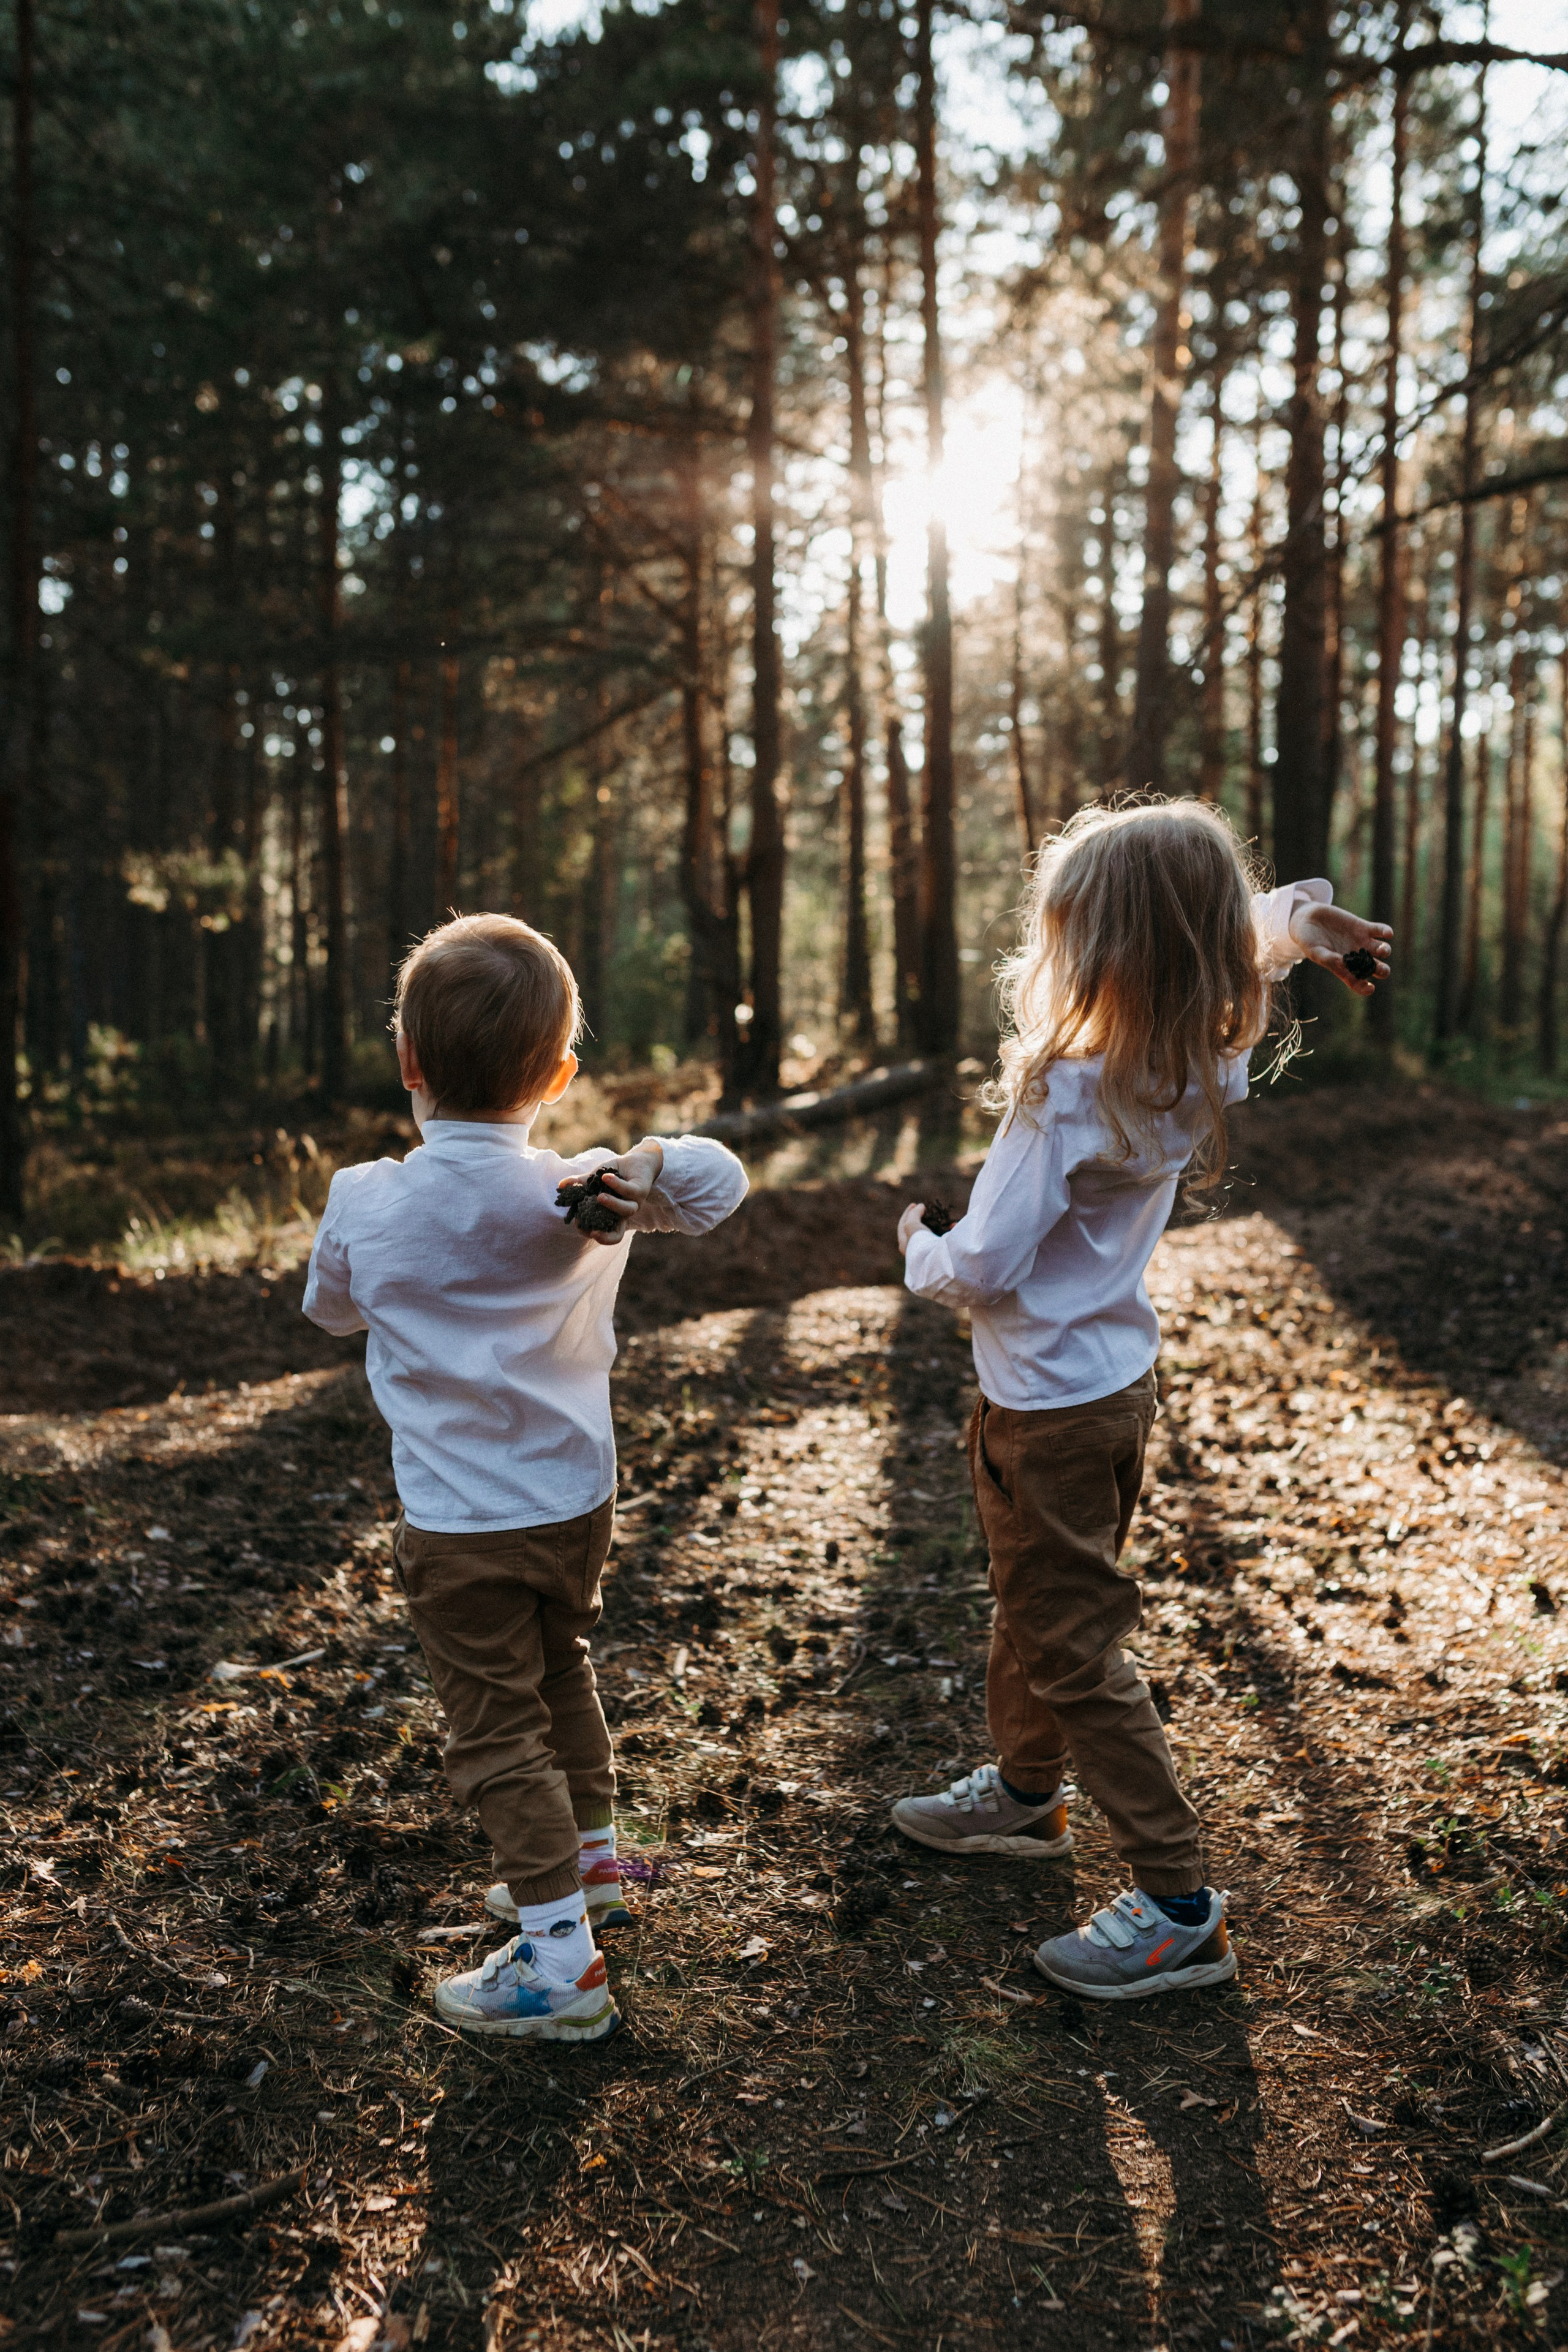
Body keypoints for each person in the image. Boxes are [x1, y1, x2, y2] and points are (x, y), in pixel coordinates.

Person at [890, 801, 1390, 2001]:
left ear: (1095, 953)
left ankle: (1175, 1902)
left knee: (1068, 1637)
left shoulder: (1061, 1093)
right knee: (1036, 1597)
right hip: (1114, 1393)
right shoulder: (1195, 1058)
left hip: (1042, 1410)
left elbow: (982, 1268)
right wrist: (1298, 922)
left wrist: (918, 1244)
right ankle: (1022, 1793)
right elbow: (1222, 938)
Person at [303, 913, 747, 2042]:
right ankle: (589, 1856)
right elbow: (721, 1181)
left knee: (494, 1728)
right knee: (561, 1664)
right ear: (559, 1073)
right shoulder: (593, 1195)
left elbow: (330, 1309)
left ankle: (559, 1961)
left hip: (459, 1522)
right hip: (577, 1501)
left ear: (407, 1062)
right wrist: (644, 1166)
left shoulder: (367, 1198)